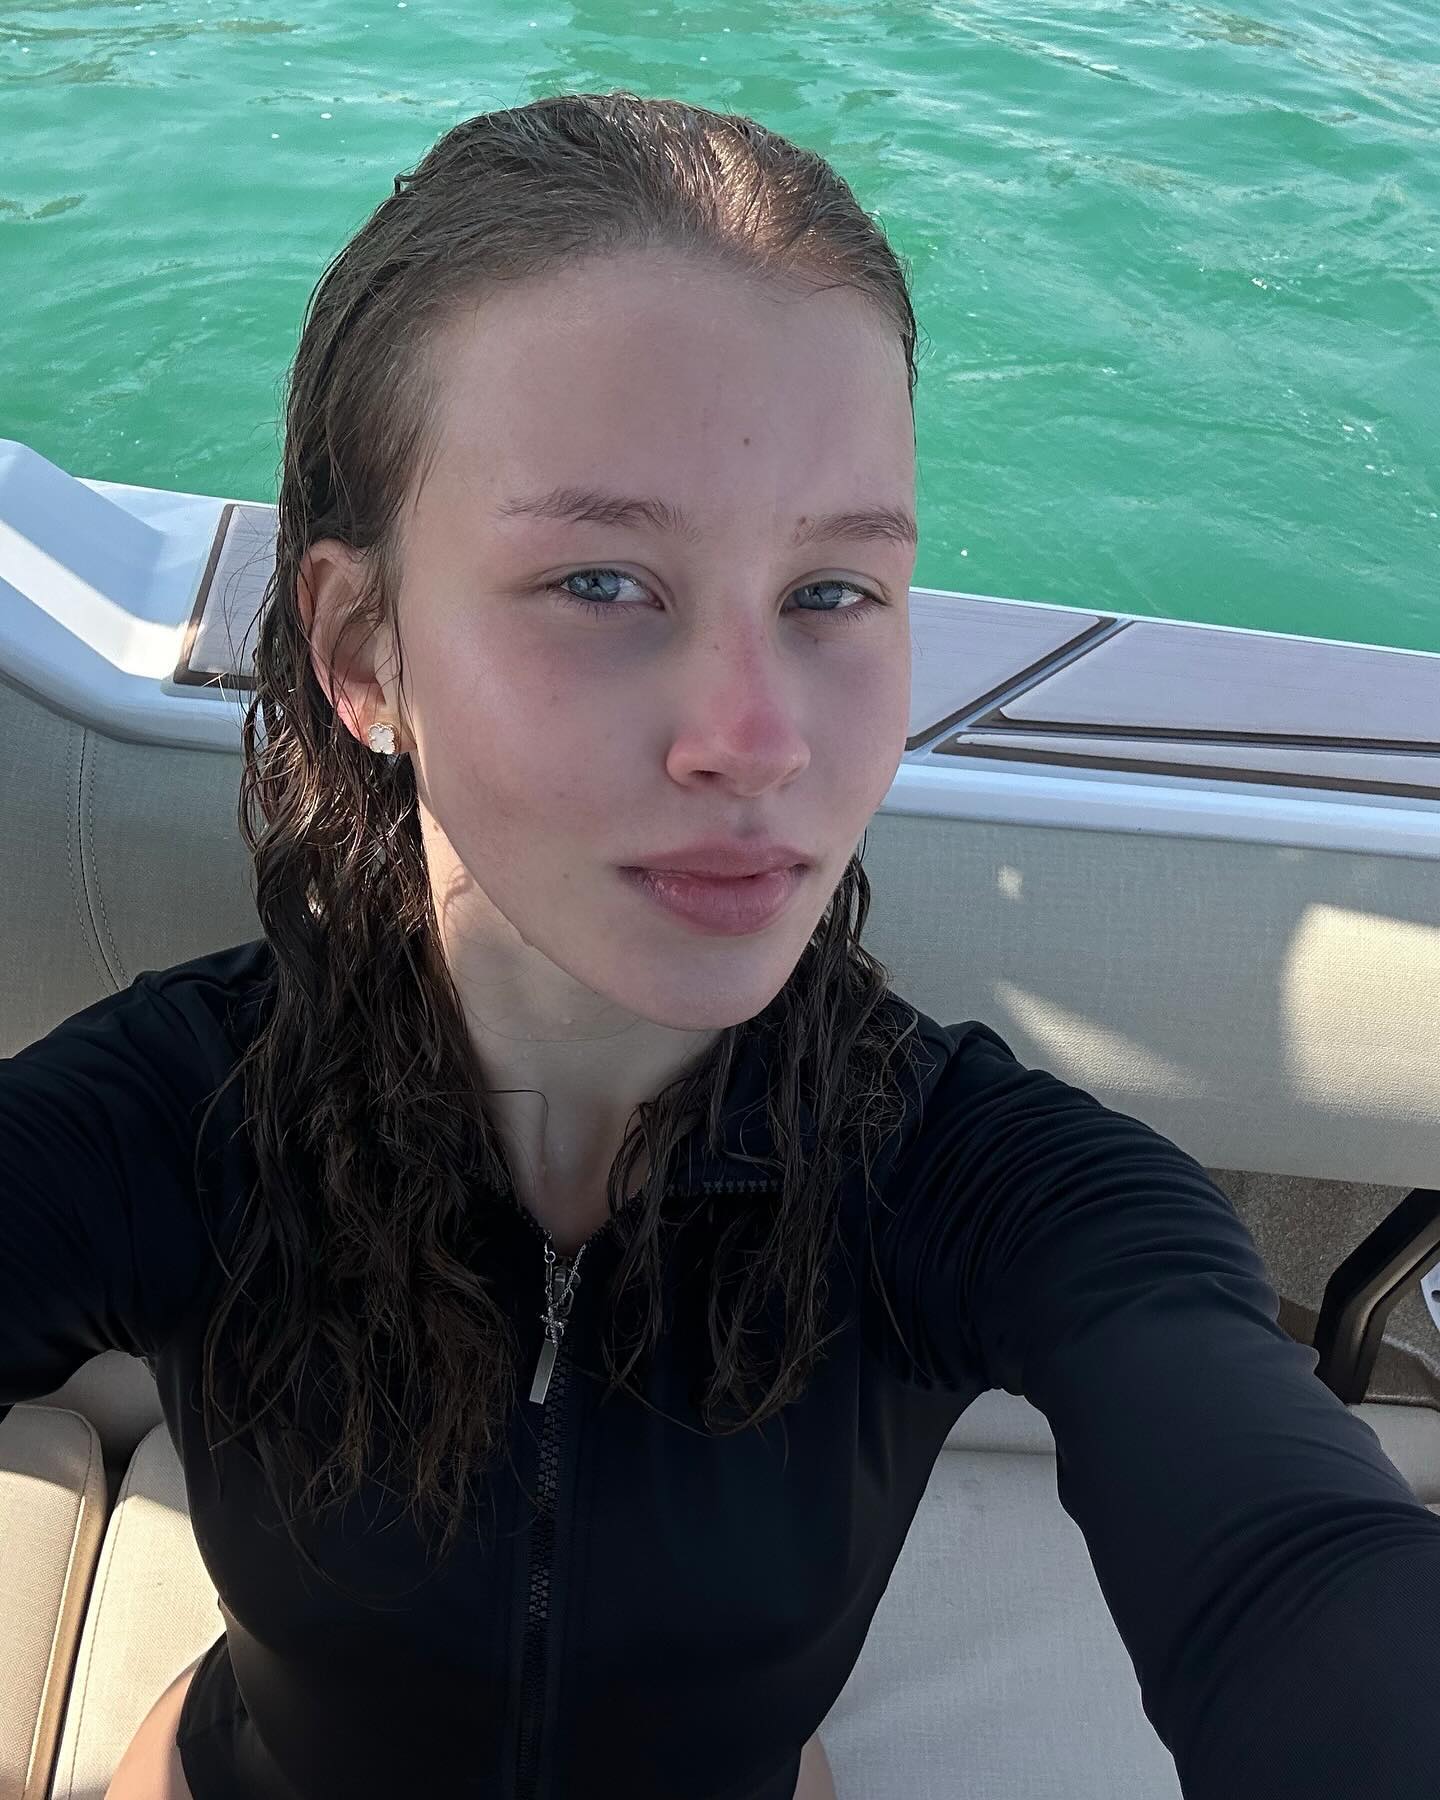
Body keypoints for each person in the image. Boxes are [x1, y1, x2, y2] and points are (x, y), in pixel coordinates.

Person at [5, 87, 1440, 1800]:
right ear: (364, 649)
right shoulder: (167, 1126)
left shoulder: (987, 1192)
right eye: (603, 582)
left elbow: (1302, 1575)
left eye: (832, 591)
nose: (756, 740)